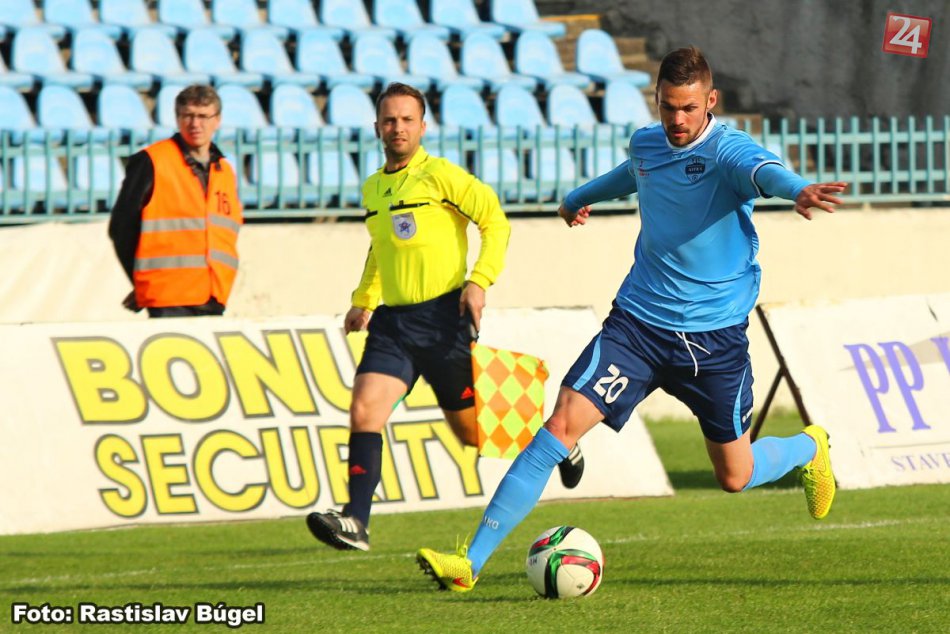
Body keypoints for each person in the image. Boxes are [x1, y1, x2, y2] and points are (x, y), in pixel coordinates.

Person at [417, 47, 846, 592]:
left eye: (689, 108)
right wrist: (579, 196)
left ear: (711, 101)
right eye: (668, 106)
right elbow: (635, 173)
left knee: (735, 476)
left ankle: (810, 448)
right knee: (558, 428)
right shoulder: (648, 143)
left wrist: (797, 189)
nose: (677, 119)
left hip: (714, 341)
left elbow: (764, 171)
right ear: (656, 100)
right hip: (638, 327)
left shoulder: (728, 151)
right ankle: (469, 565)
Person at [305, 82, 585, 552]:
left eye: (406, 120)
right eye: (389, 120)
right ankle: (356, 520)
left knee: (472, 432)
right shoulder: (373, 187)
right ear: (377, 127)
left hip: (442, 320)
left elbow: (494, 220)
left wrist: (479, 281)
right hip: (393, 325)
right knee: (364, 410)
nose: (397, 128)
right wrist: (364, 300)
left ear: (423, 126)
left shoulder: (440, 177)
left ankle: (559, 440)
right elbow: (380, 248)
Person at [109, 84, 242, 318]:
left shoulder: (225, 172)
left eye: (203, 116)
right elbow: (122, 228)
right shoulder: (151, 161)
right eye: (187, 115)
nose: (195, 124)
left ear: (217, 120)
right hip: (168, 298)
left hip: (214, 296)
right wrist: (141, 283)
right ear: (177, 118)